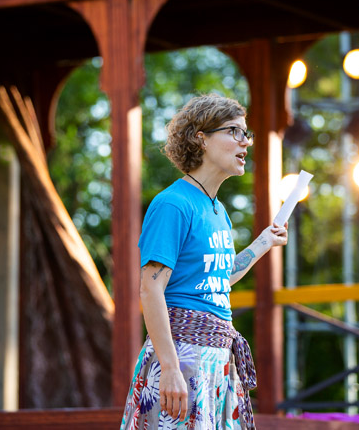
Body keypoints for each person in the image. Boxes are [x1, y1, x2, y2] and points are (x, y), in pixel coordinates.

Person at [120, 94, 288, 430]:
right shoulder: (173, 204)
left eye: (247, 134)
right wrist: (169, 368)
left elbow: (218, 280)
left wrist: (264, 242)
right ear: (202, 138)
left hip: (216, 358)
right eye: (235, 132)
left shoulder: (218, 210)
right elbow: (151, 291)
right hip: (180, 354)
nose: (246, 142)